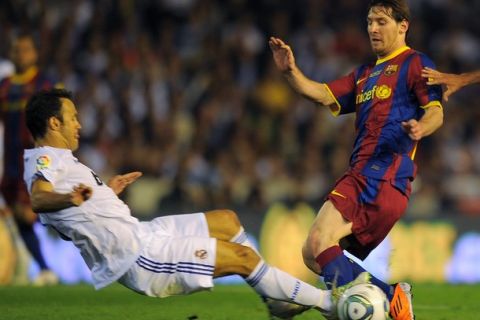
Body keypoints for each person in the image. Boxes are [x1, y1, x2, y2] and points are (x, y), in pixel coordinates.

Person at [22, 88, 368, 319]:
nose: (79, 125)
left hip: (143, 234)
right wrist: (70, 198)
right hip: (139, 258)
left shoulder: (63, 161)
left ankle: (274, 297)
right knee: (245, 259)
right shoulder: (45, 161)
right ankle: (334, 304)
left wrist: (104, 194)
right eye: (73, 118)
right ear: (54, 123)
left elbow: (74, 222)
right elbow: (38, 198)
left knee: (228, 221)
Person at [269, 0, 444, 319]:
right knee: (312, 252)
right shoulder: (364, 74)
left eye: (381, 21)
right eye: (369, 22)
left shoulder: (415, 63)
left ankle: (353, 307)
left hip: (382, 173)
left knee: (320, 239)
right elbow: (322, 94)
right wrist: (291, 72)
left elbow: (435, 111)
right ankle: (391, 298)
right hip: (363, 174)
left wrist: (421, 127)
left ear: (403, 26)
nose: (373, 29)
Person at [0, 33, 59, 285]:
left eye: (24, 49)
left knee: (28, 213)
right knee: (16, 214)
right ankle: (44, 269)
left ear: (34, 54)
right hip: (10, 162)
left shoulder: (44, 85)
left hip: (36, 159)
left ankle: (43, 266)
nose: (19, 54)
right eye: (16, 49)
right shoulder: (3, 86)